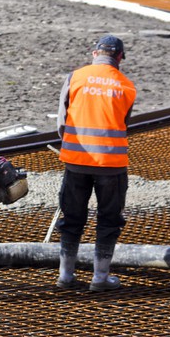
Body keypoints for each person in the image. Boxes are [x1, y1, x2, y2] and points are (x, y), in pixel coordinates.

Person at [55, 35, 136, 292]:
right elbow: (124, 124)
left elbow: (61, 123)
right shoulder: (127, 86)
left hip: (76, 161)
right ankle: (100, 278)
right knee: (109, 220)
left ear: (94, 53)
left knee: (72, 218)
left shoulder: (75, 77)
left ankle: (66, 276)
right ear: (120, 57)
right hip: (111, 165)